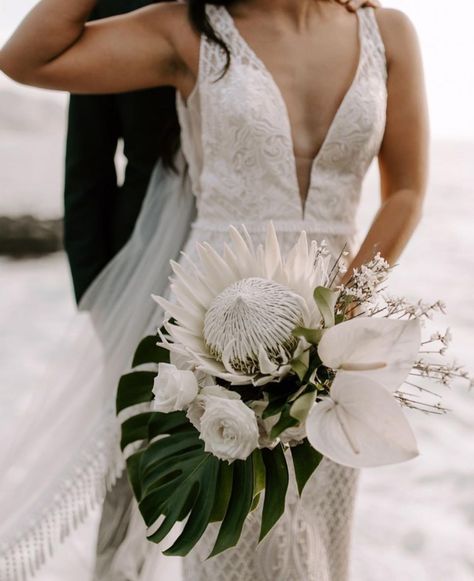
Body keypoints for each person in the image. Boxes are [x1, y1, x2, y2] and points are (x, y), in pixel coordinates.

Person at [0, 0, 428, 580]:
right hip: (219, 329)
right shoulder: (188, 28)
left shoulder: (389, 33)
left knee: (317, 547)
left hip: (335, 345)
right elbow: (26, 58)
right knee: (225, 542)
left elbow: (404, 189)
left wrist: (337, 317)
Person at [64, 0, 179, 304]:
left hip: (272, 252)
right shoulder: (113, 7)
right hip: (139, 259)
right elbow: (87, 165)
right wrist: (93, 292)